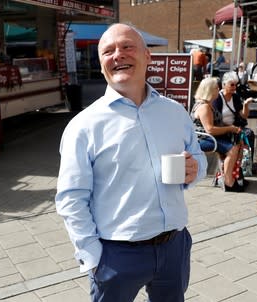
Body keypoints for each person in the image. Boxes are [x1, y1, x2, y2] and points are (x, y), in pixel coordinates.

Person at [55, 23, 207, 302]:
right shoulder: (84, 126)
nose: (118, 55)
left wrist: (194, 170)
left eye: (127, 47)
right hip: (115, 256)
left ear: (147, 56)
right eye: (108, 51)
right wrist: (92, 257)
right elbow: (70, 198)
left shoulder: (174, 112)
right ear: (101, 64)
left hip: (174, 246)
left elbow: (197, 159)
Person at [191, 77, 243, 192]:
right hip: (203, 139)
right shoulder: (204, 107)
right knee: (232, 149)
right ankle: (228, 181)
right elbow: (210, 129)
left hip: (210, 137)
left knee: (238, 143)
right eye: (215, 87)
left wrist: (231, 128)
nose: (218, 89)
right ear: (209, 90)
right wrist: (229, 128)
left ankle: (223, 176)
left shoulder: (208, 104)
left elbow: (216, 122)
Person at [212, 71, 256, 161]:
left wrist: (246, 105)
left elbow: (244, 116)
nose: (234, 87)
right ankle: (234, 161)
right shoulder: (217, 98)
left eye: (236, 85)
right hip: (222, 128)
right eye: (232, 85)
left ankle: (247, 163)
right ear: (224, 85)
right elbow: (215, 120)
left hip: (235, 127)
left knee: (249, 133)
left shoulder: (235, 97)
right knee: (235, 138)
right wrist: (230, 128)